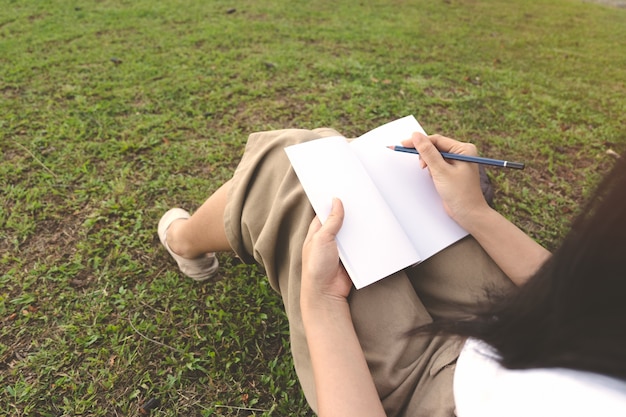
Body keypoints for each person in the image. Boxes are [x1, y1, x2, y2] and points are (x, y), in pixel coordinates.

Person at [158, 127, 626, 416]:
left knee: (300, 170)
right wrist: (474, 212)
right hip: (523, 322)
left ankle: (183, 241)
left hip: (436, 393)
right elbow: (593, 306)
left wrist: (322, 303)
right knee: (349, 169)